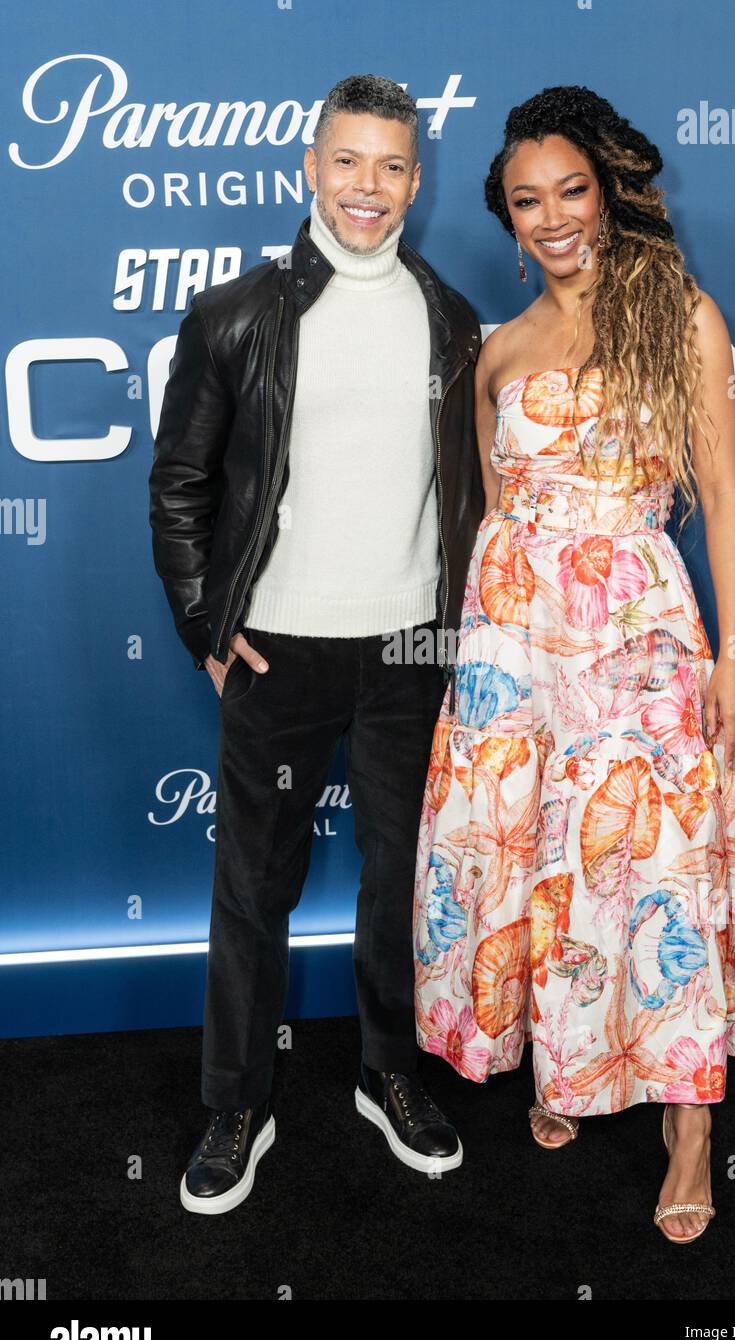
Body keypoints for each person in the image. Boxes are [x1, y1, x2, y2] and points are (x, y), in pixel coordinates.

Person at [412, 85, 735, 1244]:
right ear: (506, 219)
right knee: (535, 862)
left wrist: (731, 657)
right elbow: (490, 510)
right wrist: (473, 666)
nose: (552, 216)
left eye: (569, 189)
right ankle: (566, 1065)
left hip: (636, 640)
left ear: (609, 191)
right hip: (513, 651)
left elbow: (718, 497)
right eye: (526, 200)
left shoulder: (675, 312)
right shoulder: (496, 347)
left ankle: (687, 1126)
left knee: (652, 864)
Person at [149, 74, 484, 1213]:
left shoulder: (449, 318)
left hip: (406, 648)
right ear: (308, 167)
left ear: (415, 180)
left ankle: (389, 1072)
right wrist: (206, 621)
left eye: (392, 165)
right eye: (349, 161)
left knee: (399, 878)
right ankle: (236, 1099)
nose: (369, 188)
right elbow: (181, 483)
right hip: (278, 649)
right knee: (254, 886)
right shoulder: (236, 316)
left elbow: (467, 490)